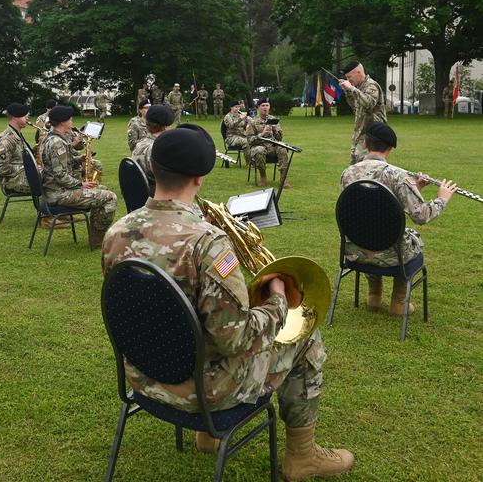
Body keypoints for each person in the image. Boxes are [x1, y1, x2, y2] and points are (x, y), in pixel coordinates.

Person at [102, 125, 354, 482]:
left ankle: (206, 437)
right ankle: (303, 456)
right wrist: (279, 299)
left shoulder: (117, 232)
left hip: (144, 378)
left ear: (151, 169)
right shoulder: (209, 243)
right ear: (199, 179)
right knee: (307, 342)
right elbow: (236, 340)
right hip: (207, 394)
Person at [340, 122, 456, 315]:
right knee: (413, 238)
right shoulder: (398, 176)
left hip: (355, 251)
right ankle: (399, 302)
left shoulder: (348, 173)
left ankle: (374, 296)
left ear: (366, 144)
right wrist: (442, 199)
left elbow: (369, 207)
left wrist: (415, 188)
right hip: (393, 257)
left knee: (369, 229)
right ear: (390, 148)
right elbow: (421, 215)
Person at [40, 105, 117, 248]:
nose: (72, 122)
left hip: (56, 190)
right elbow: (60, 175)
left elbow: (59, 165)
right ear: (62, 122)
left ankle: (96, 234)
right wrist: (80, 184)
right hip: (59, 194)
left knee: (102, 189)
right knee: (110, 197)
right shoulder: (57, 143)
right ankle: (98, 238)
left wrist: (78, 159)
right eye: (70, 119)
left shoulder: (54, 138)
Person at [339, 61, 386, 165]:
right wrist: (348, 91)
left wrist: (352, 88)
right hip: (360, 135)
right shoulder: (359, 87)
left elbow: (369, 103)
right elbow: (355, 107)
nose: (348, 80)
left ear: (359, 72)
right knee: (355, 168)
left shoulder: (371, 85)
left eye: (349, 77)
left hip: (373, 137)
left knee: (368, 169)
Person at [245, 98, 290, 188]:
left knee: (282, 148)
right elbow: (250, 141)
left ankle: (283, 177)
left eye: (267, 105)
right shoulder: (252, 122)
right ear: (258, 107)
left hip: (272, 146)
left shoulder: (274, 119)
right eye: (263, 106)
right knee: (259, 150)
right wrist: (262, 134)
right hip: (259, 145)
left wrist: (275, 129)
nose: (265, 108)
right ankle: (263, 176)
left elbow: (280, 138)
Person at [131, 104, 173, 192]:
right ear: (166, 126)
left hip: (140, 196)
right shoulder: (160, 149)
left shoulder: (139, 145)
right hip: (158, 198)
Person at [0, 103, 32, 193]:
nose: (27, 118)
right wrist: (28, 167)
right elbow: (2, 168)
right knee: (50, 185)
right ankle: (47, 207)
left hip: (22, 177)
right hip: (13, 182)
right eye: (24, 115)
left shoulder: (16, 135)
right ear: (15, 118)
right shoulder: (6, 140)